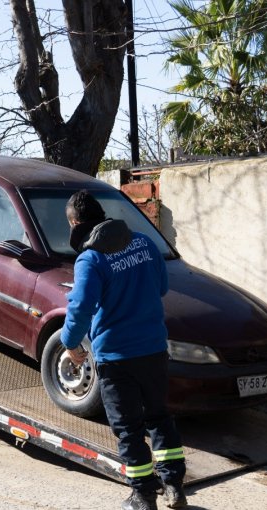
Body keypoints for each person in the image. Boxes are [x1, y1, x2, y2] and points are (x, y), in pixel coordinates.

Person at [60, 190, 186, 510]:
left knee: (129, 427)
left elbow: (80, 308)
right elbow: (161, 287)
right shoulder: (143, 242)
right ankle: (173, 487)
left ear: (75, 223)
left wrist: (71, 343)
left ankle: (143, 496)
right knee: (159, 416)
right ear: (102, 216)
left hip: (117, 357)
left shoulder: (90, 259)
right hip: (154, 349)